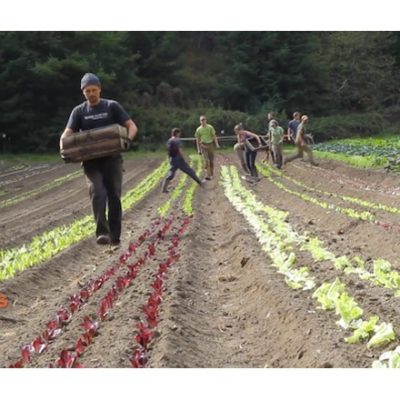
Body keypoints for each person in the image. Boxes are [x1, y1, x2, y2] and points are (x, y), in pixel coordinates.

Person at [60, 72, 138, 246]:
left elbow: (131, 126)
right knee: (97, 192)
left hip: (112, 160)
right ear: (83, 92)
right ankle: (102, 233)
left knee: (114, 197)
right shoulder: (79, 111)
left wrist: (128, 140)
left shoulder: (112, 106)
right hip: (91, 162)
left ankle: (115, 236)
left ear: (100, 89)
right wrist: (62, 146)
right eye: (87, 91)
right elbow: (67, 133)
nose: (91, 93)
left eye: (94, 90)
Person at [161, 128, 203, 193]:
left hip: (172, 159)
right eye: (179, 133)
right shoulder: (177, 140)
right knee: (190, 171)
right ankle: (200, 183)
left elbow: (168, 150)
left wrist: (169, 159)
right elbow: (180, 150)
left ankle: (164, 188)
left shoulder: (169, 140)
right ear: (177, 133)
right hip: (179, 159)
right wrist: (185, 158)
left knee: (171, 173)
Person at [195, 115, 220, 180]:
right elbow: (197, 140)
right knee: (206, 161)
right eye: (201, 120)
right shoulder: (198, 130)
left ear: (206, 120)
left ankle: (211, 174)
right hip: (203, 145)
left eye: (204, 120)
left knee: (211, 161)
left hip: (210, 145)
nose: (203, 121)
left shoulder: (210, 127)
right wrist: (198, 149)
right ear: (200, 121)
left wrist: (217, 144)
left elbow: (214, 136)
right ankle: (207, 175)